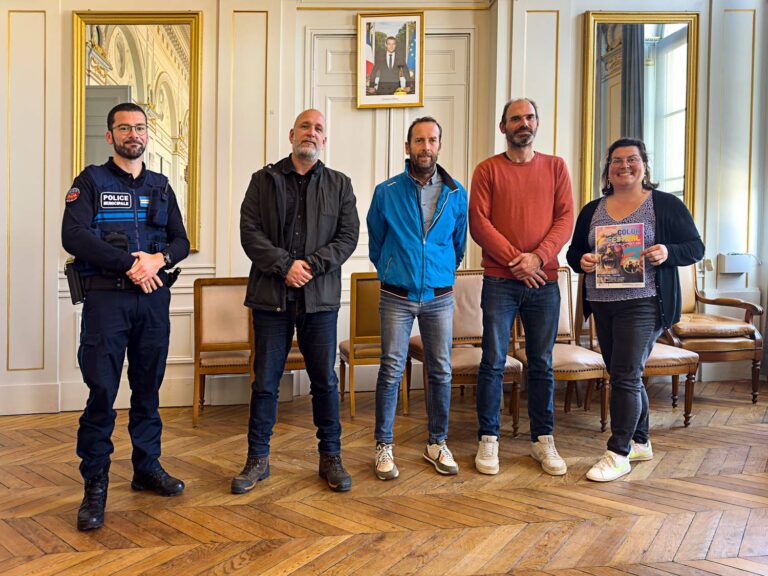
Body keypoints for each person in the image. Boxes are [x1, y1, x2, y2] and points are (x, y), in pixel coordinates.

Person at [62, 102, 189, 531]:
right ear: (110, 135)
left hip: (152, 303)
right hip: (107, 303)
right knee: (101, 393)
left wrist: (158, 259)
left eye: (140, 128)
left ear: (147, 135)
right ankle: (94, 484)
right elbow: (73, 235)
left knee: (148, 390)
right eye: (124, 128)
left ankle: (146, 468)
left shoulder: (161, 186)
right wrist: (127, 264)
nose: (133, 134)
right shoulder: (90, 182)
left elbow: (180, 241)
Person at [235, 109, 360, 493]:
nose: (312, 133)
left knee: (324, 381)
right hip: (270, 297)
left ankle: (331, 458)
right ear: (292, 133)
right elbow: (249, 231)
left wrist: (310, 267)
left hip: (318, 299)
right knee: (266, 383)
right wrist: (285, 266)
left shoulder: (340, 184)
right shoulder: (263, 180)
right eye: (305, 126)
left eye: (319, 128)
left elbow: (348, 236)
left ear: (326, 139)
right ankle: (257, 459)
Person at [566, 137, 704, 482]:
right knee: (623, 372)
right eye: (616, 160)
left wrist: (667, 252)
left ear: (644, 165)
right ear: (608, 169)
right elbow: (573, 254)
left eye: (632, 159)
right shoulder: (592, 209)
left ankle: (618, 452)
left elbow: (695, 247)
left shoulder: (665, 205)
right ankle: (640, 441)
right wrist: (581, 260)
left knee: (625, 375)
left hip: (645, 303)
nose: (624, 166)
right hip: (603, 303)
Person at [469, 98, 574, 476]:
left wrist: (538, 259)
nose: (523, 123)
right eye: (515, 118)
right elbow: (479, 224)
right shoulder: (487, 170)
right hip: (500, 281)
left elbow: (565, 219)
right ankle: (489, 439)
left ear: (537, 123)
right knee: (493, 360)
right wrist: (519, 261)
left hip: (544, 282)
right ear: (504, 127)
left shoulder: (556, 167)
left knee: (542, 363)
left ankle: (542, 441)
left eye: (529, 117)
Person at [367, 117, 468, 480]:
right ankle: (384, 446)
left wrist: (439, 270)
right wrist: (393, 268)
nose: (426, 147)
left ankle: (436, 443)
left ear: (440, 145)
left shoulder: (456, 193)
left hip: (439, 297)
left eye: (432, 140)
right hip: (397, 296)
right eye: (419, 141)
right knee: (391, 370)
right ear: (407, 147)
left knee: (440, 370)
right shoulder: (386, 191)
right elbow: (376, 242)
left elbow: (458, 245)